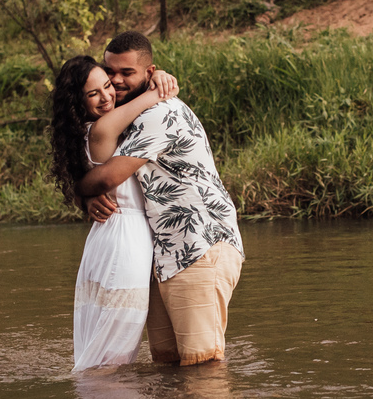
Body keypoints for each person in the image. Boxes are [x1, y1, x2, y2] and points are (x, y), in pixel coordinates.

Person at [79, 32, 244, 367]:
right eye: (110, 71)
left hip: (199, 248)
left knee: (203, 366)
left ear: (149, 72)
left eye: (127, 73)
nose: (116, 80)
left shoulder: (160, 113)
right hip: (164, 256)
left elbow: (110, 177)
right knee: (167, 367)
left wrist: (81, 189)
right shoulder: (132, 112)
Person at [50, 54, 178, 371]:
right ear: (77, 102)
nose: (107, 96)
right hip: (123, 241)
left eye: (108, 86)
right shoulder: (102, 129)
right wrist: (156, 84)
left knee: (104, 344)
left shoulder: (85, 131)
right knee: (114, 352)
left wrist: (155, 73)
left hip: (109, 239)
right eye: (93, 94)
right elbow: (144, 100)